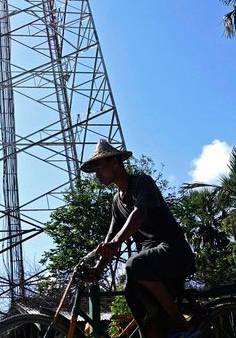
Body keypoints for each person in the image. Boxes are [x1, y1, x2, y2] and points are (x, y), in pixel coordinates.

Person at [82, 140, 196, 338]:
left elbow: (139, 214)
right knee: (132, 293)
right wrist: (98, 269)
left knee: (134, 265)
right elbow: (110, 237)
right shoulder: (116, 200)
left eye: (99, 167)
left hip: (173, 250)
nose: (97, 175)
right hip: (152, 263)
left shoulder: (142, 182)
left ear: (115, 163)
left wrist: (116, 241)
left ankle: (181, 324)